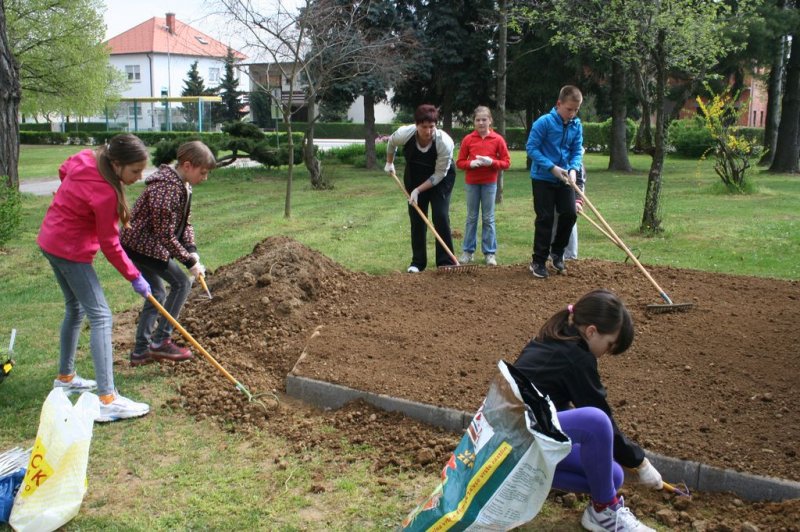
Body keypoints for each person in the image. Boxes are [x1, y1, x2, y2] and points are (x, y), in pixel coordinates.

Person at [513, 289, 663, 532]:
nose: (606, 352)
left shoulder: (559, 335)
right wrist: (640, 462)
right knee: (596, 421)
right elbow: (600, 416)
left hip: (515, 437)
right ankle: (605, 510)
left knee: (611, 477)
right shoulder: (576, 356)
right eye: (609, 344)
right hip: (515, 439)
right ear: (592, 331)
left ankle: (520, 482)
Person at [37, 133, 152, 423]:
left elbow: (63, 170)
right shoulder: (106, 193)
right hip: (68, 250)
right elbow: (110, 244)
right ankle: (107, 399)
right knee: (100, 315)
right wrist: (135, 277)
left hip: (51, 239)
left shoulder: (87, 158)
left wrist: (72, 200)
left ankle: (65, 378)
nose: (139, 177)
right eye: (135, 171)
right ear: (116, 164)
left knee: (75, 308)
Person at [121, 140, 215, 366]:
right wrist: (189, 262)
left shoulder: (183, 186)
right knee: (182, 283)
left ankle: (140, 351)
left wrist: (191, 250)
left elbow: (185, 223)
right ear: (187, 165)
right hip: (142, 246)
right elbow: (164, 235)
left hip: (146, 245)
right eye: (202, 172)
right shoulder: (166, 188)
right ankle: (161, 341)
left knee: (157, 293)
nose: (205, 178)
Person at [385, 104, 457, 273]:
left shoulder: (444, 142)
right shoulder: (405, 133)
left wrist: (418, 190)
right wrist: (389, 162)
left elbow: (439, 174)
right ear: (416, 125)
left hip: (441, 179)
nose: (428, 131)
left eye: (431, 126)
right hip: (415, 175)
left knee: (440, 215)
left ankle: (446, 262)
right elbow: (391, 142)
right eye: (424, 127)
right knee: (417, 217)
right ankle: (418, 263)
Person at [526, 85, 584, 279]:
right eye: (569, 109)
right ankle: (538, 261)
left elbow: (577, 150)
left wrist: (573, 169)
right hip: (543, 178)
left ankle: (557, 252)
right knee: (545, 218)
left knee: (570, 214)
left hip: (565, 177)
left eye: (576, 110)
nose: (572, 113)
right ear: (559, 104)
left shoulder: (576, 125)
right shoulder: (544, 122)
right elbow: (531, 148)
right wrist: (551, 167)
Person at [455, 106, 511, 266]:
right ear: (474, 122)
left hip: (489, 183)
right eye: (478, 120)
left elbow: (506, 162)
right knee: (471, 217)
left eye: (484, 119)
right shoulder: (468, 139)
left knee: (488, 218)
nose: (481, 123)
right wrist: (470, 164)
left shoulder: (497, 139)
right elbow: (459, 162)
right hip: (472, 183)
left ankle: (489, 253)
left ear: (490, 121)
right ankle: (468, 251)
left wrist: (492, 162)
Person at [551, 160, 586, 261]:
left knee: (569, 220)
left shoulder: (577, 162)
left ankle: (570, 257)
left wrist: (578, 201)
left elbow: (579, 182)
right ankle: (551, 255)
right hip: (551, 191)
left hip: (569, 195)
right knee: (551, 220)